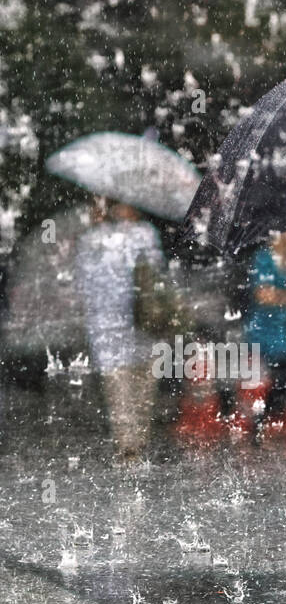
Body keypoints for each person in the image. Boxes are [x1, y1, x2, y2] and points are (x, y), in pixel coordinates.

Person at [74, 196, 164, 462]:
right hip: (112, 329)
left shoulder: (142, 234)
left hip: (141, 324)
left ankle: (135, 446)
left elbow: (155, 274)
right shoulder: (93, 240)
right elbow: (84, 284)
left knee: (140, 390)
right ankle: (130, 449)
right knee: (122, 390)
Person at [246, 228, 286, 442]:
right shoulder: (264, 258)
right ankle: (261, 423)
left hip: (284, 332)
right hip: (265, 331)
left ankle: (265, 421)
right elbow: (262, 294)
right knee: (284, 376)